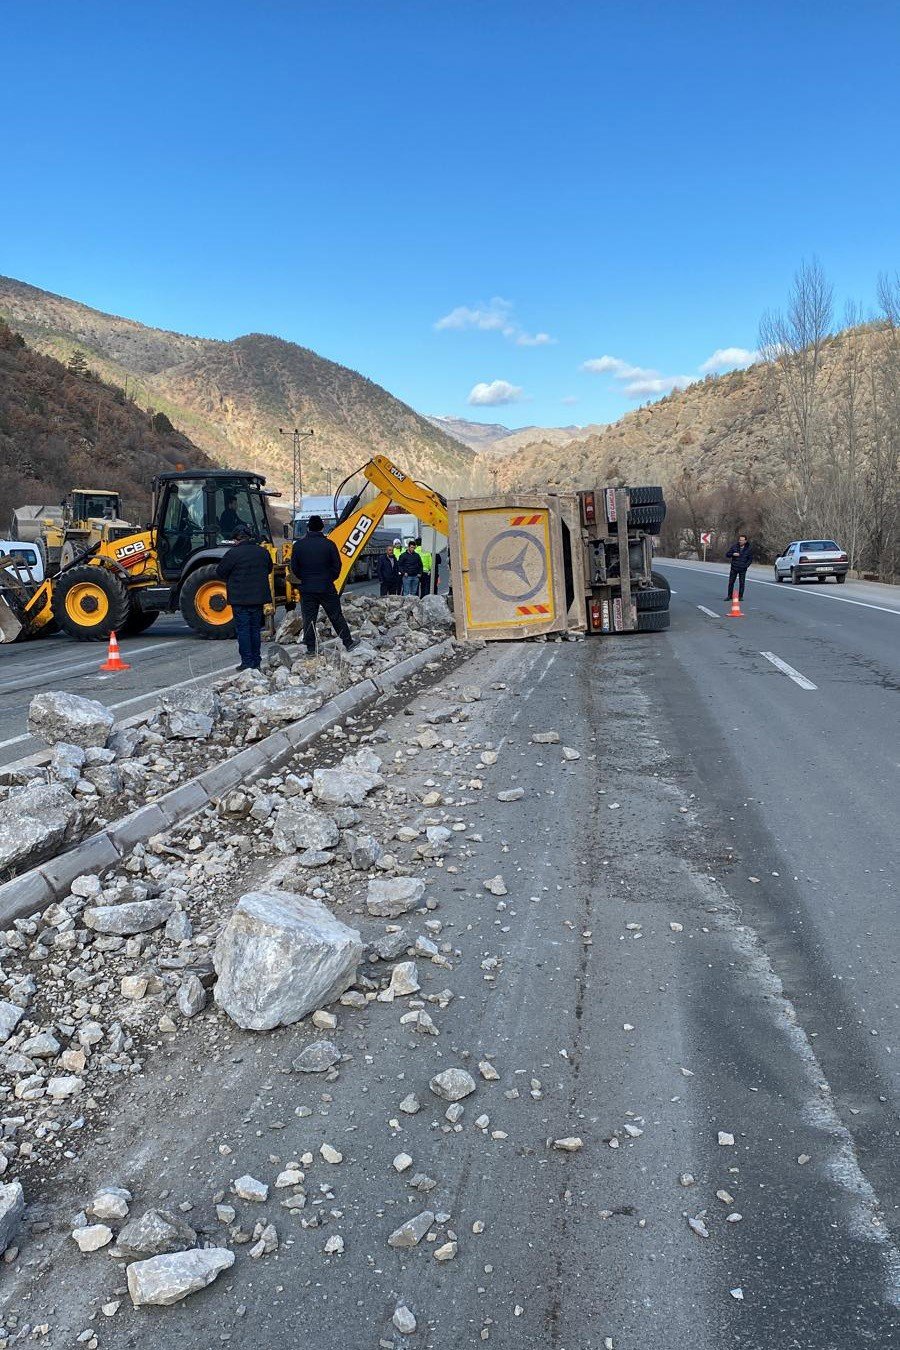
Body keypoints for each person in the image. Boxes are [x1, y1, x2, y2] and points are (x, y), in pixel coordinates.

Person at [290, 514, 355, 655]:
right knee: (336, 616)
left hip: (307, 588)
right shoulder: (329, 544)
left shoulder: (299, 546)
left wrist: (304, 578)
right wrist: (329, 578)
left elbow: (294, 567)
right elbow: (337, 565)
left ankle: (311, 648)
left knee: (309, 618)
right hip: (326, 587)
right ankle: (348, 642)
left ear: (308, 528)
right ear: (322, 528)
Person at [215, 523, 273, 671]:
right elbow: (268, 569)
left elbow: (220, 572)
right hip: (258, 598)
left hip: (240, 599)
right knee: (255, 630)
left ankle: (247, 662)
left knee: (243, 631)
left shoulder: (233, 554)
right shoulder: (262, 552)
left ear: (236, 539)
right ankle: (256, 661)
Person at [725, 533, 753, 601]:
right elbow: (727, 554)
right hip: (734, 567)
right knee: (731, 582)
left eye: (742, 540)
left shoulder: (748, 549)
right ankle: (729, 596)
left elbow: (750, 559)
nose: (740, 541)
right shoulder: (734, 547)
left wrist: (746, 566)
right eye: (740, 540)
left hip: (742, 568)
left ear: (745, 541)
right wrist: (733, 554)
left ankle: (740, 596)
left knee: (742, 583)